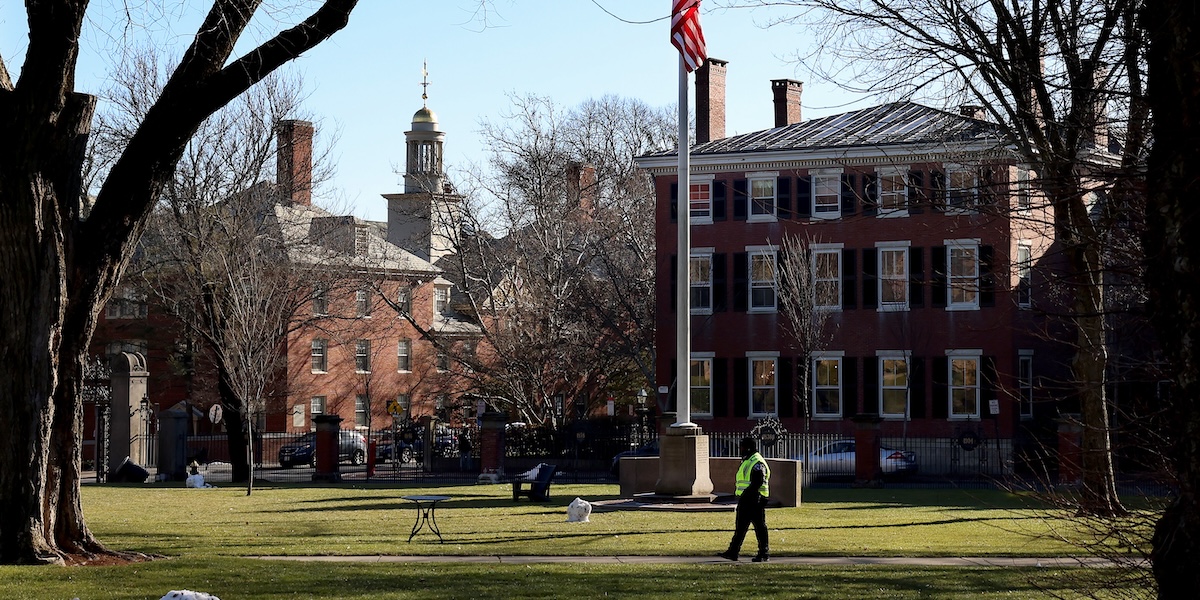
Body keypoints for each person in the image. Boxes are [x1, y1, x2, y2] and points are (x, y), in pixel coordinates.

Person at [718, 436, 771, 562]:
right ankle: (734, 551)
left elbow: (757, 481)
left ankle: (762, 552)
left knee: (758, 527)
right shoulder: (749, 460)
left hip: (754, 499)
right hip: (749, 499)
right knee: (743, 526)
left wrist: (748, 495)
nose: (740, 449)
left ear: (747, 447)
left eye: (741, 447)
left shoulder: (757, 461)